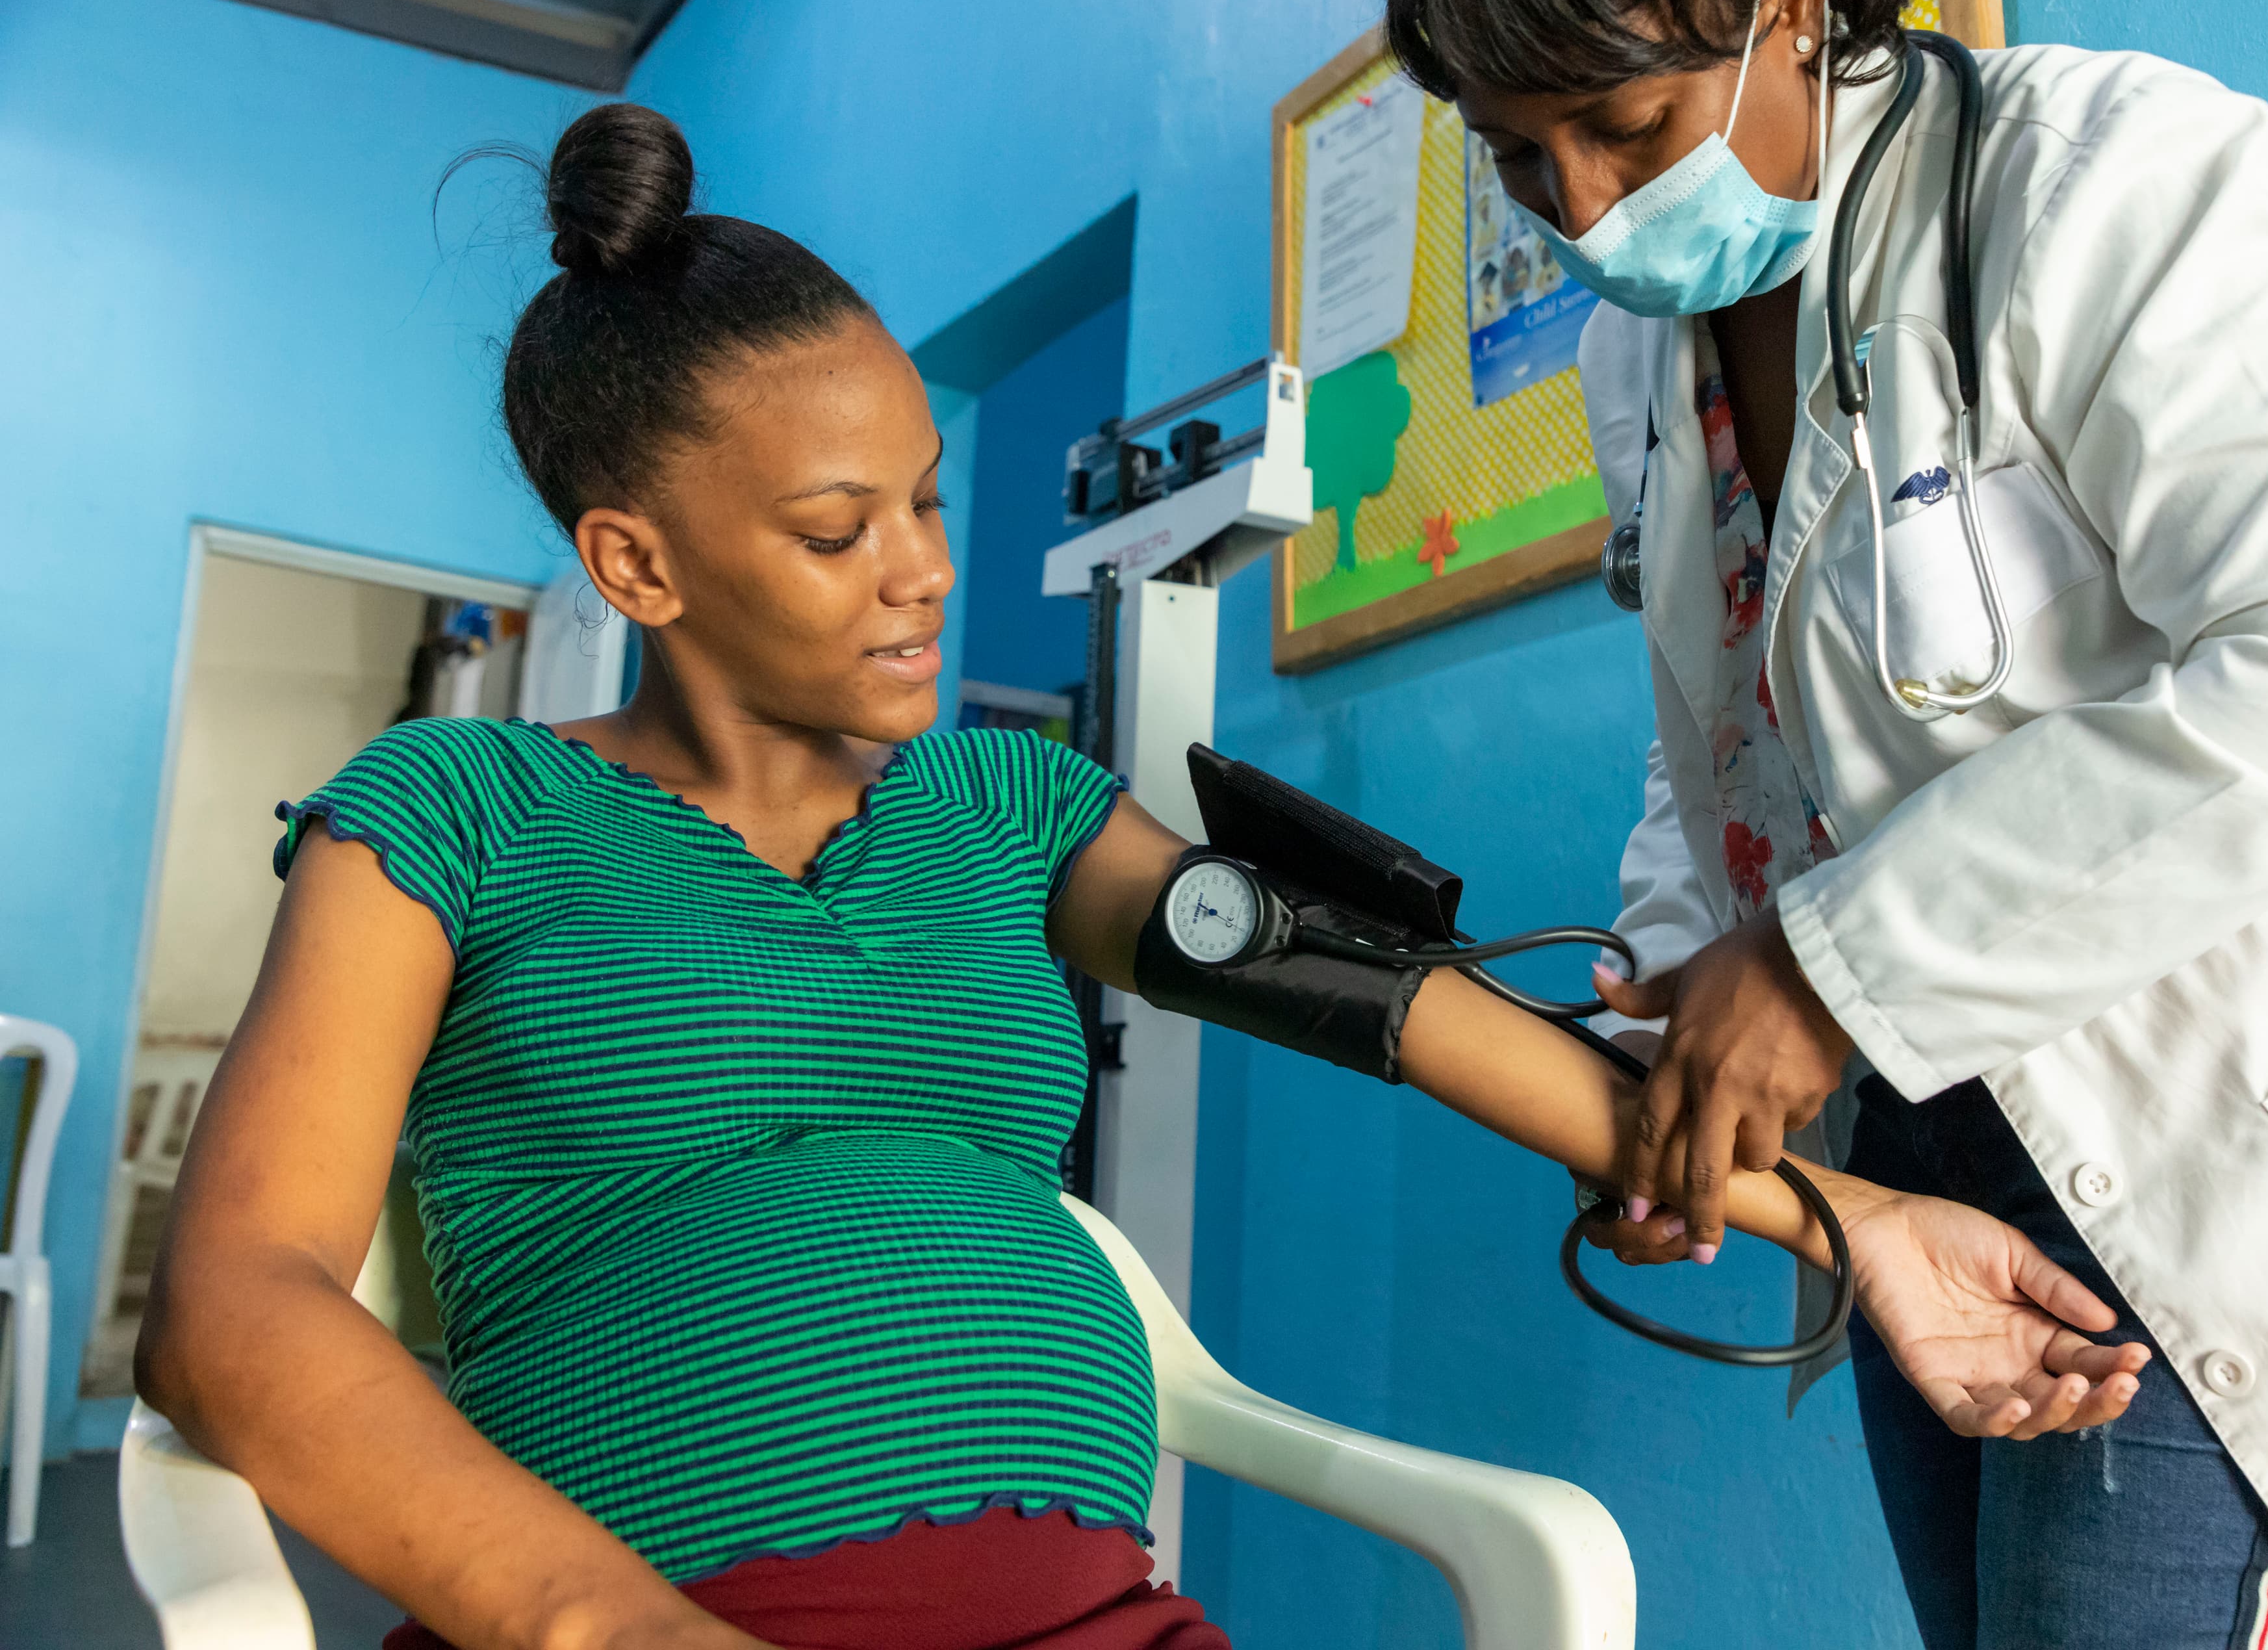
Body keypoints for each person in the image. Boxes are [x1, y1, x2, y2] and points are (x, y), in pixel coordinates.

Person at [138, 101, 2152, 1650]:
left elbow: (1380, 1002)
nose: (926, 569)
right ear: (636, 566)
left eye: (925, 501)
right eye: (840, 531)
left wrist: (1852, 1217)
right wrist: (606, 1624)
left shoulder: (1006, 808)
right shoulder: (452, 812)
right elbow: (236, 1304)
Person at [1384, 0, 2268, 1646]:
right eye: (1519, 163)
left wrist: (1827, 973)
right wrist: (1678, 1011)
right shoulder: (1642, 350)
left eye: (1626, 129)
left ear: (1799, 6)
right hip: (1910, 1166)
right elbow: (1729, 722)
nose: (1588, 214)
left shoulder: (2100, 173)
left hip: (2215, 1141)